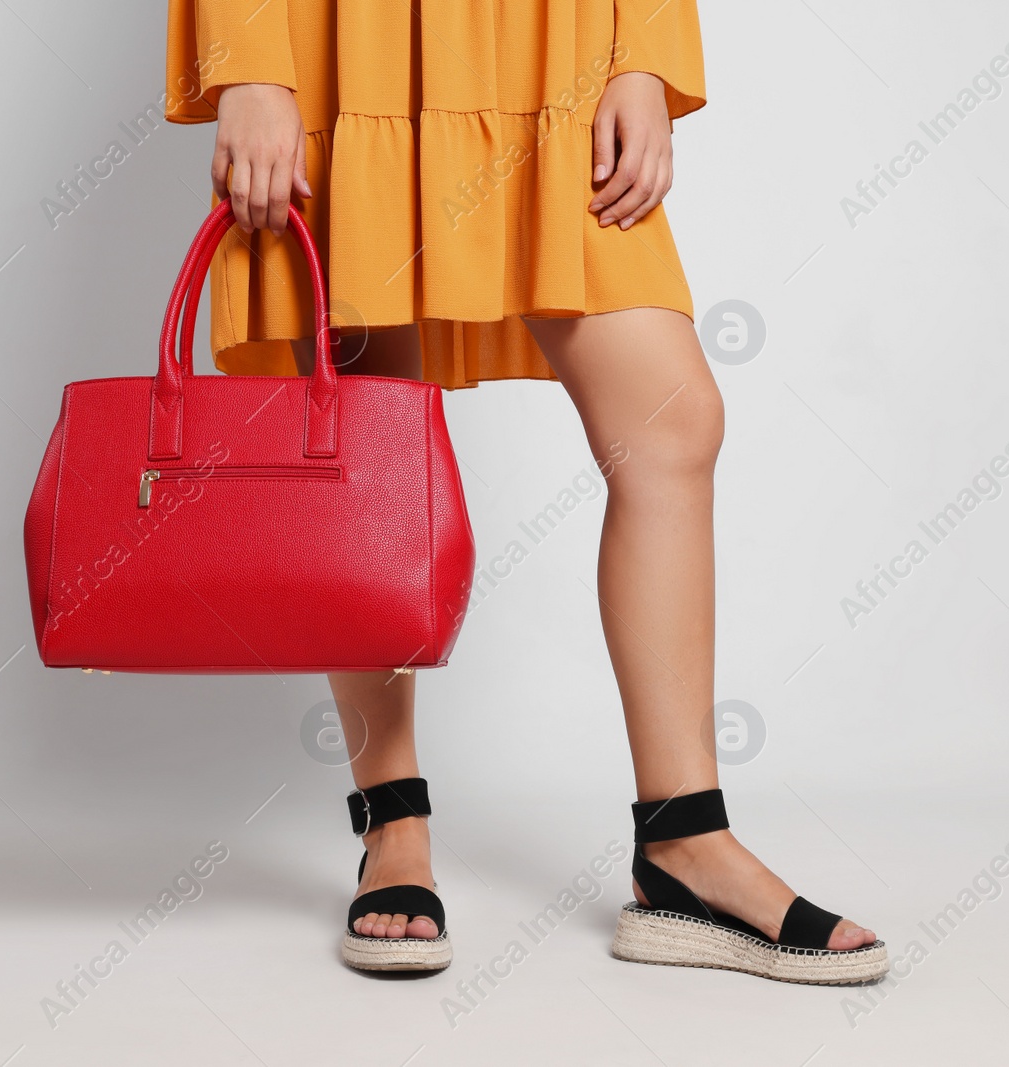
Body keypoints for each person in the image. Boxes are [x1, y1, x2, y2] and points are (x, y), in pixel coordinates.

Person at [164, 0, 886, 984]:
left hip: (552, 37)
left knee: (670, 421)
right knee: (370, 439)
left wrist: (643, 57)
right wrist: (249, 64)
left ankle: (682, 842)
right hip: (350, 35)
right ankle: (394, 826)